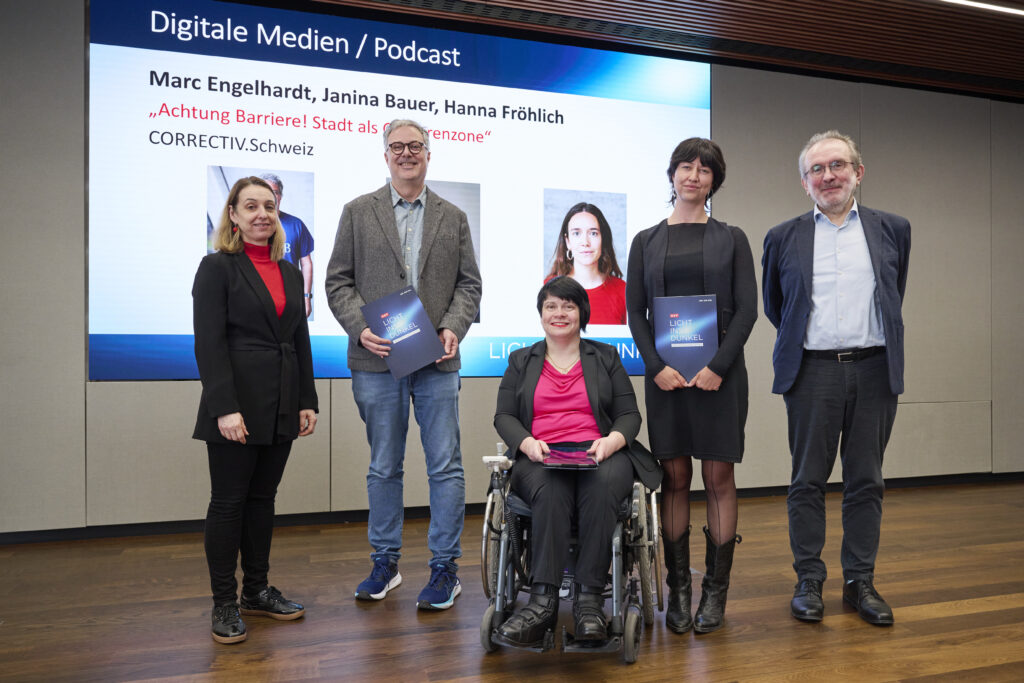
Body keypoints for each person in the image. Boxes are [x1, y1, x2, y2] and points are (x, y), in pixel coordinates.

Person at [325, 119, 482, 610]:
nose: (407, 153)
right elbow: (337, 283)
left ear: (429, 154)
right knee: (383, 467)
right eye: (398, 147)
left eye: (416, 146)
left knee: (446, 468)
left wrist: (454, 326)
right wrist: (360, 327)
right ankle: (385, 563)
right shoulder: (357, 212)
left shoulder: (452, 216)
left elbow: (469, 285)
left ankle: (444, 570)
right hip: (376, 361)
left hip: (436, 362)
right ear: (385, 154)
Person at [762, 130, 910, 626]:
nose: (829, 176)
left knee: (866, 480)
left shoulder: (893, 229)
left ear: (857, 172)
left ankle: (859, 582)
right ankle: (808, 579)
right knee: (807, 481)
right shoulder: (783, 236)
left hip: (874, 369)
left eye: (838, 166)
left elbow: (893, 295)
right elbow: (776, 307)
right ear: (805, 183)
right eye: (817, 170)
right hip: (812, 372)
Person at [626, 138, 757, 635]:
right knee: (675, 478)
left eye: (705, 169)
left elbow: (747, 310)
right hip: (666, 379)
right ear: (672, 174)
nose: (694, 175)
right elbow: (634, 312)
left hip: (718, 379)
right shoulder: (645, 241)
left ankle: (715, 595)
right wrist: (654, 365)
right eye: (686, 166)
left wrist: (718, 367)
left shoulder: (732, 237)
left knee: (718, 479)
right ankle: (678, 589)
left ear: (713, 181)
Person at [493, 277, 661, 646]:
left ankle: (588, 602)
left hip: (599, 450)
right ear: (540, 314)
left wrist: (611, 442)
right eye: (551, 306)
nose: (559, 313)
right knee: (551, 490)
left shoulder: (605, 356)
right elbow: (504, 416)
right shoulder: (521, 360)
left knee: (601, 487)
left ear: (581, 312)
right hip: (541, 452)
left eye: (568, 306)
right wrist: (526, 443)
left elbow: (629, 415)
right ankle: (542, 603)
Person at [192, 176, 319, 644]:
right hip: (235, 407)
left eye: (268, 205)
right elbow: (208, 344)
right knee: (228, 504)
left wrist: (308, 399)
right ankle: (224, 601)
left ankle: (257, 592)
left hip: (282, 402)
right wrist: (224, 408)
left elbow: (299, 340)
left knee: (263, 501)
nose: (262, 213)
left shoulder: (288, 272)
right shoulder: (216, 268)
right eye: (250, 206)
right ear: (233, 215)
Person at [545, 202, 626, 324]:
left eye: (593, 233)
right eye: (576, 233)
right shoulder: (547, 289)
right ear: (568, 242)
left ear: (603, 239)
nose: (585, 242)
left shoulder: (623, 290)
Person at [260, 173, 315, 317]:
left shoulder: (296, 225)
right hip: (258, 298)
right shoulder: (250, 226)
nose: (271, 196)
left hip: (290, 299)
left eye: (275, 192)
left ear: (280, 196)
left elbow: (306, 264)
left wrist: (306, 298)